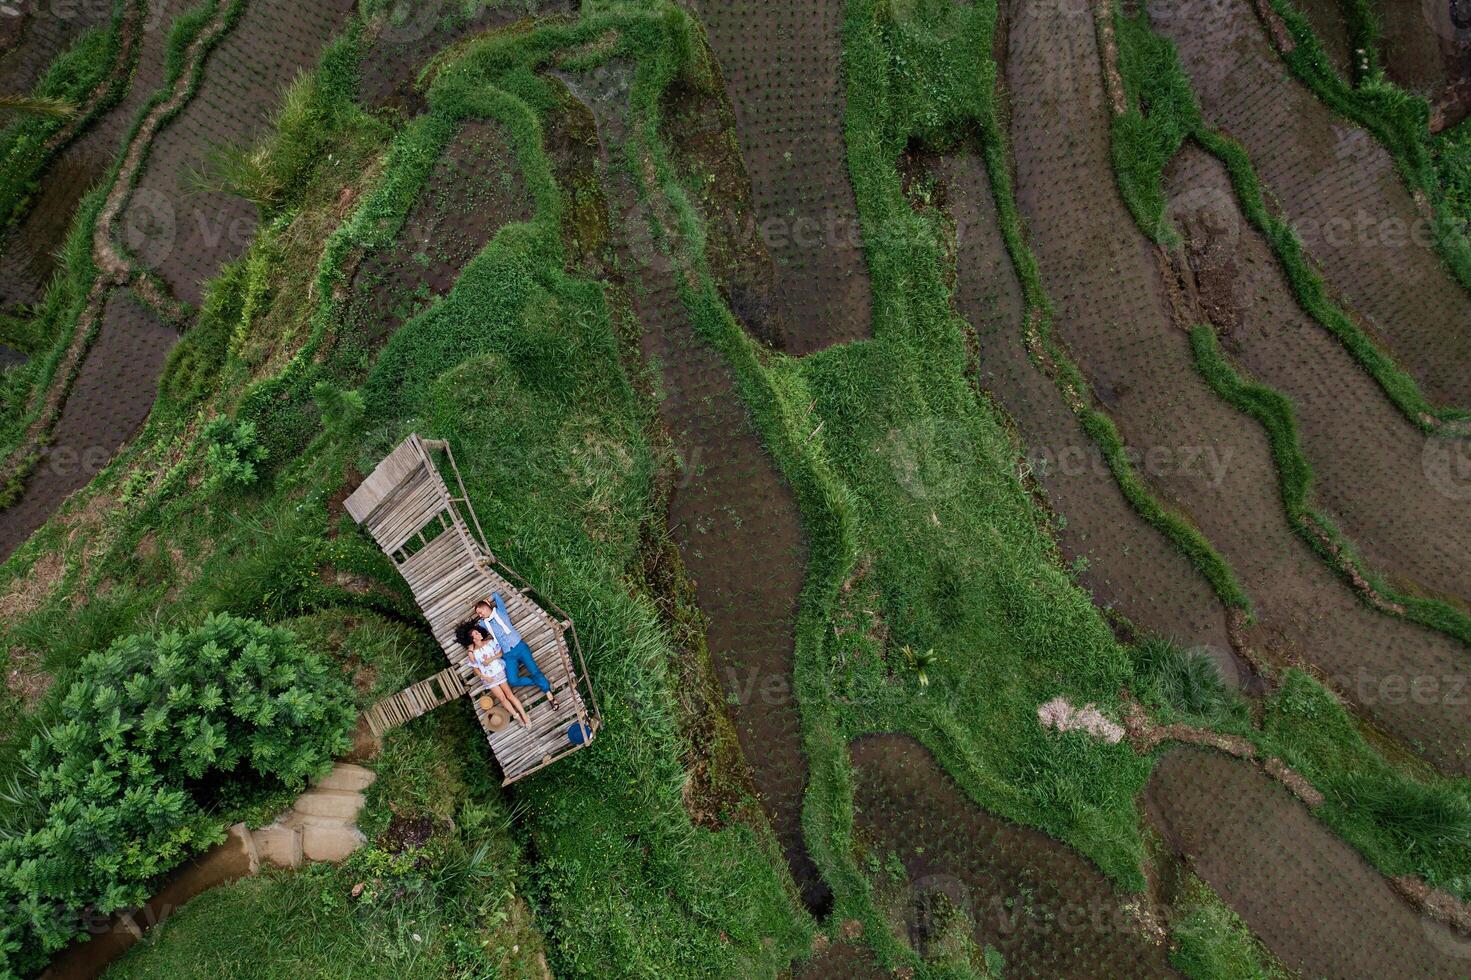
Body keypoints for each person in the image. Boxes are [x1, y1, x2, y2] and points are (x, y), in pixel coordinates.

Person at [474, 593, 558, 709]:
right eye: (478, 614)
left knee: (534, 671)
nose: (479, 615)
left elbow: (497, 596)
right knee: (513, 680)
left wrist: (488, 600)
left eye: (480, 611)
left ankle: (550, 696)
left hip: (520, 647)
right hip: (508, 655)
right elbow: (473, 632)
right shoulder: (484, 623)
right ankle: (541, 682)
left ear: (485, 607)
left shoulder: (500, 612)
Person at [456, 621, 531, 728]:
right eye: (476, 634)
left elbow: (501, 653)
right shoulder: (473, 653)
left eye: (478, 632)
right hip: (489, 678)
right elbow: (475, 669)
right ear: (473, 639)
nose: (479, 634)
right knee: (502, 699)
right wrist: (484, 676)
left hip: (499, 672)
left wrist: (491, 658)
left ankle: (525, 716)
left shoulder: (490, 642)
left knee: (509, 695)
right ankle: (517, 717)